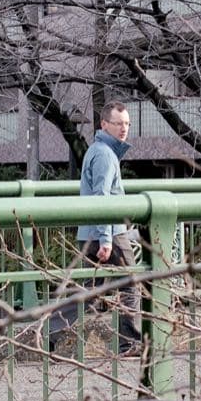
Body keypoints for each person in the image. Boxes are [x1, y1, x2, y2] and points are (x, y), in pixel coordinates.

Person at [50, 101, 142, 356]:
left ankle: (51, 333)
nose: (124, 129)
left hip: (94, 232)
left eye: (127, 124)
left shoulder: (99, 150)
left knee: (88, 292)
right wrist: (106, 239)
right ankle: (130, 343)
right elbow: (102, 198)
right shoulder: (104, 154)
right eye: (118, 123)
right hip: (109, 232)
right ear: (104, 124)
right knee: (131, 284)